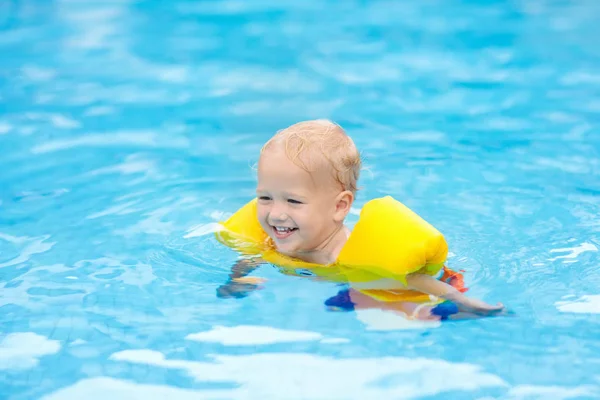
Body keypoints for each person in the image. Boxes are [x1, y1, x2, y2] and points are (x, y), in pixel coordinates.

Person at [216, 119, 505, 318]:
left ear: (340, 207)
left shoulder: (351, 255)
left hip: (384, 287)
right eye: (265, 197)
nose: (276, 213)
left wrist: (461, 301)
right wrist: (237, 279)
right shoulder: (273, 238)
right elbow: (254, 257)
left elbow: (416, 280)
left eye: (293, 201)